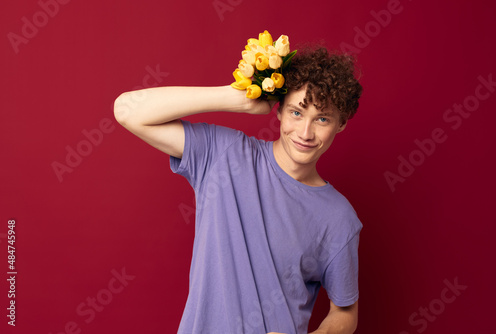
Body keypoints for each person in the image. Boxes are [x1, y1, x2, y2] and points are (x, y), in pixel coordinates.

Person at [114, 46, 363, 334]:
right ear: (279, 109)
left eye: (322, 119)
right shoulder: (225, 155)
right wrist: (237, 98)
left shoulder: (339, 217)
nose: (305, 133)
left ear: (341, 123)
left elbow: (344, 312)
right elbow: (127, 110)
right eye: (296, 112)